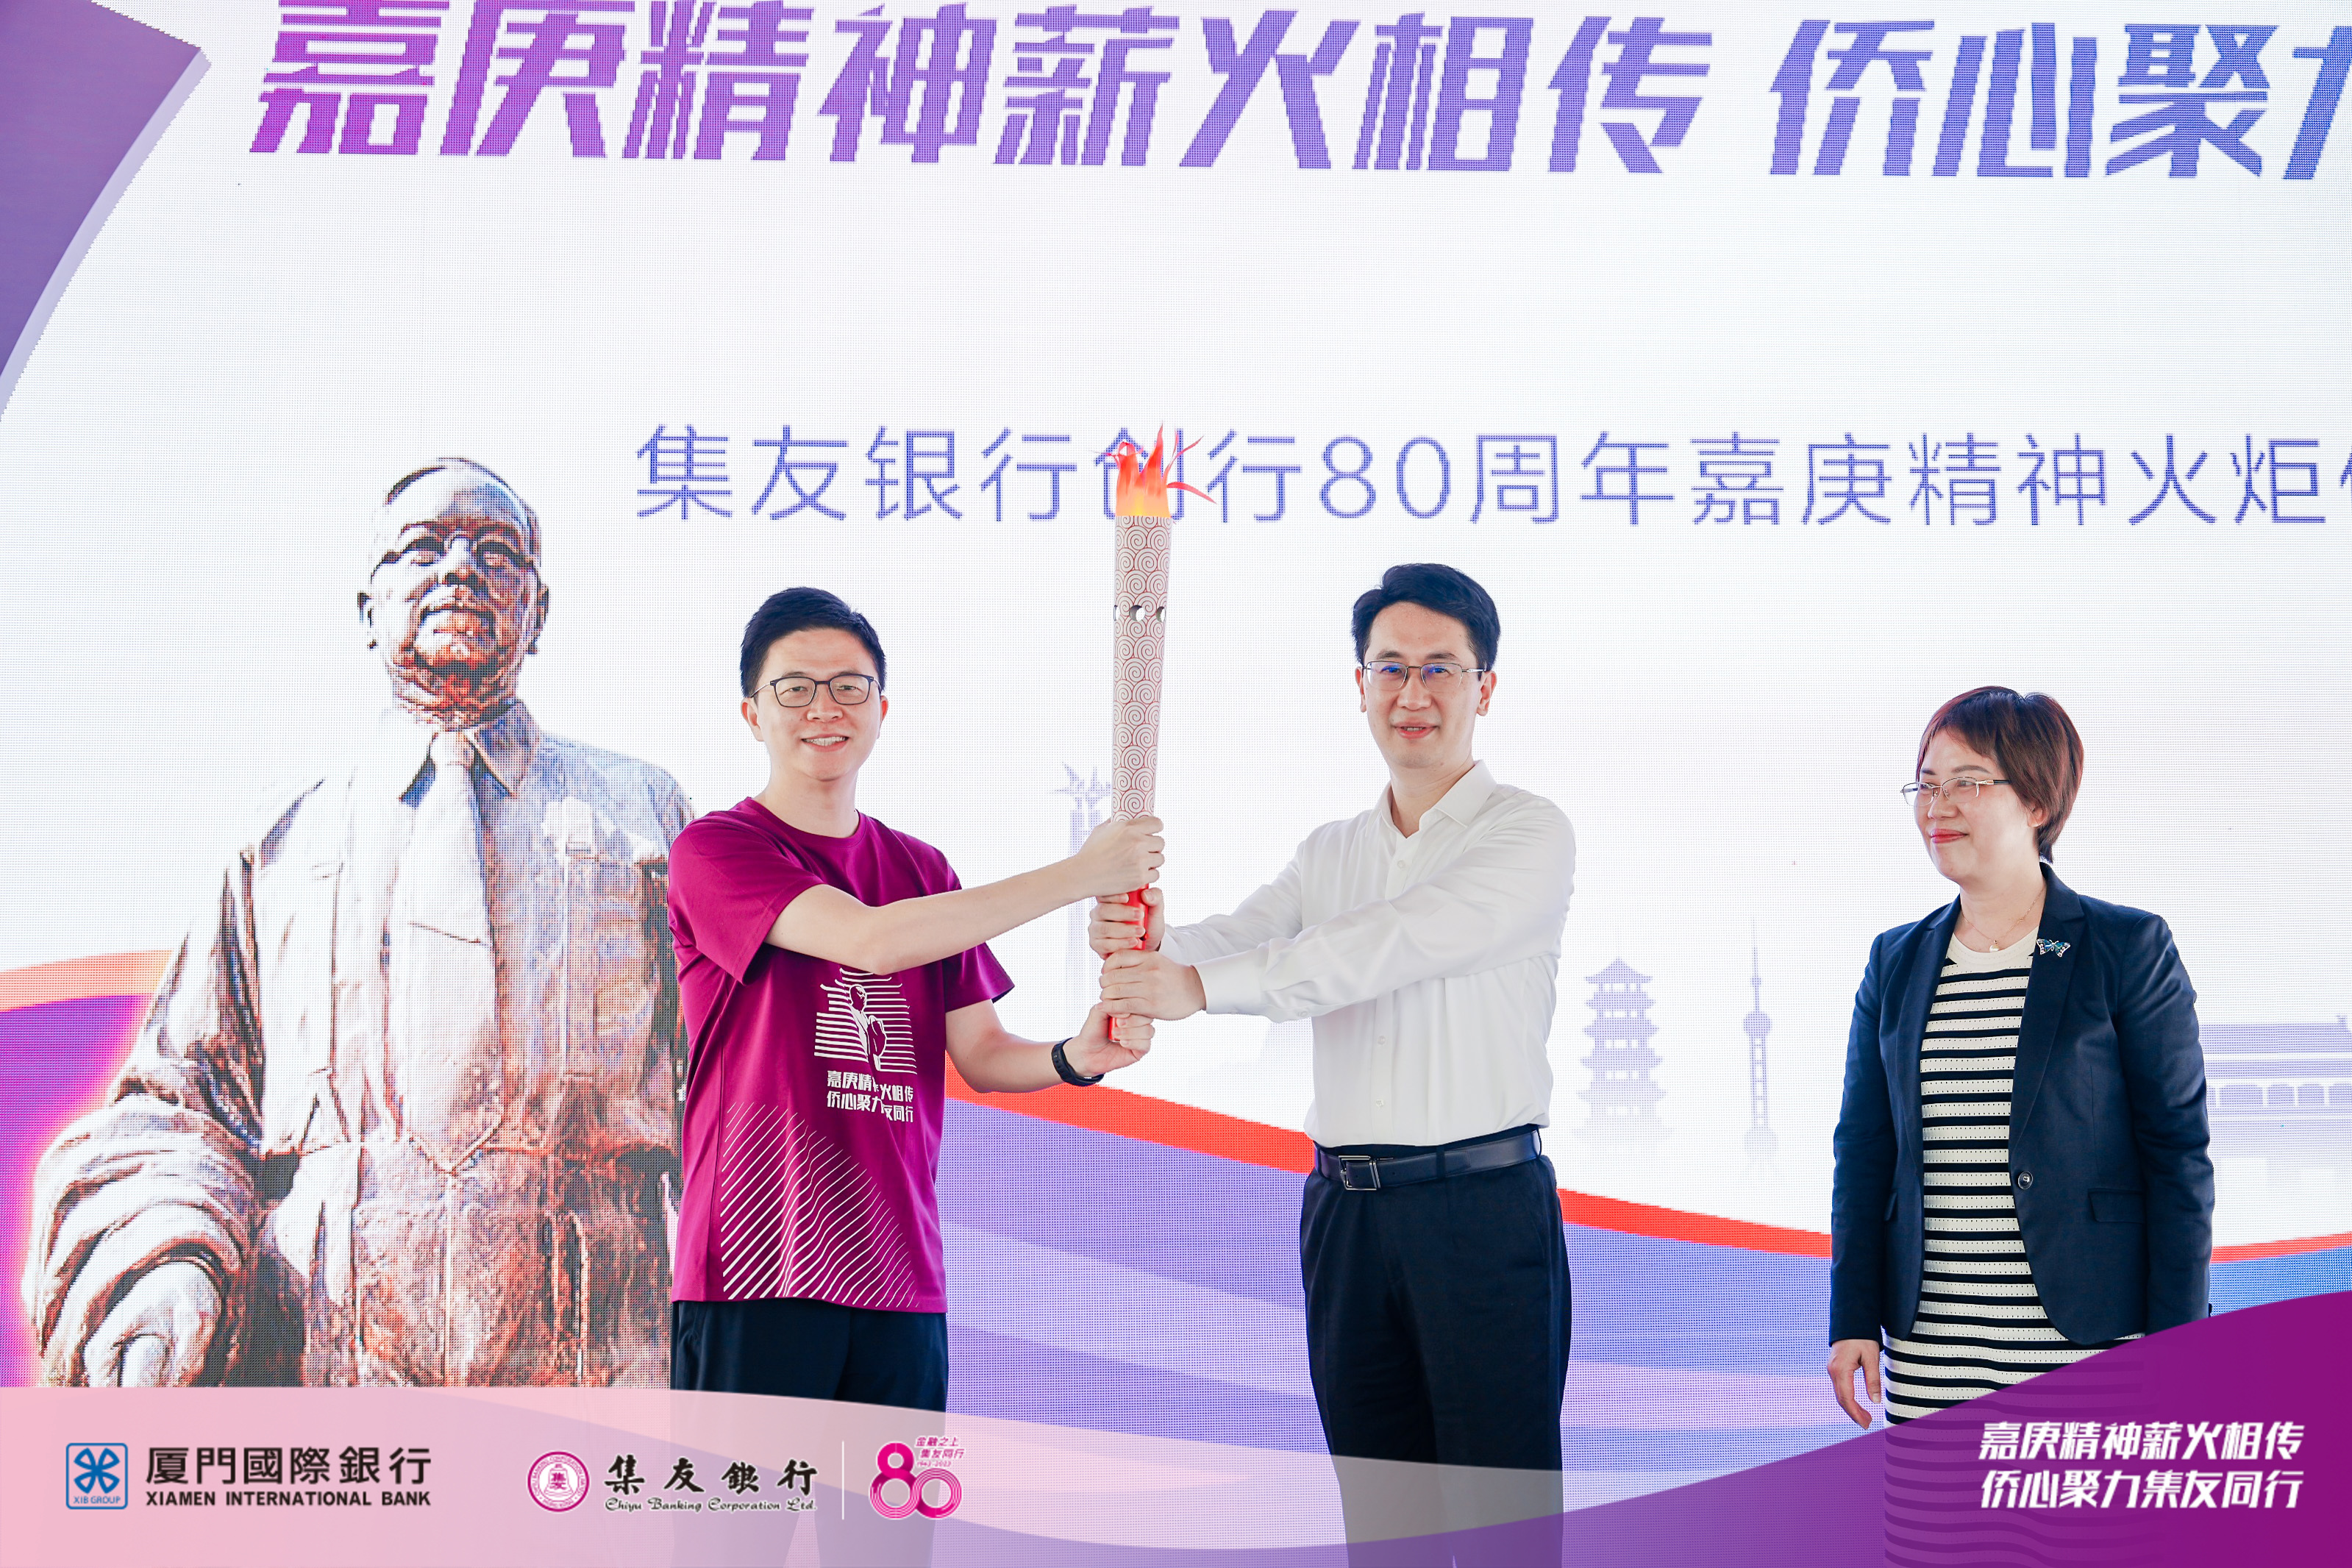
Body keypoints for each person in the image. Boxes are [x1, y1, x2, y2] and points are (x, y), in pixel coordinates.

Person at [25, 459, 693, 1386]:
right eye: (423, 547)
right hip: (329, 1371)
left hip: (599, 1367)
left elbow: (741, 1092)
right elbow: (182, 1105)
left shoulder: (644, 818)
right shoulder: (280, 841)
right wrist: (163, 1267)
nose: (461, 569)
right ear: (367, 608)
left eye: (497, 552)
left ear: (539, 611)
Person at [1093, 563, 1576, 1551]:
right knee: (1383, 1526)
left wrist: (1193, 985)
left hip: (1481, 1216)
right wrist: (1143, 933)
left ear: (1485, 687)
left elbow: (1390, 943)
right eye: (1390, 667)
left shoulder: (1528, 832)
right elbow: (1240, 937)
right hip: (1347, 1221)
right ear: (1360, 684)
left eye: (1439, 668)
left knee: (1502, 1532)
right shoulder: (1330, 851)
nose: (1412, 692)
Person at [665, 587, 1161, 1414]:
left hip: (899, 1279)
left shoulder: (923, 871)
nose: (824, 707)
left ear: (881, 708)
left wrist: (1076, 1055)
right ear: (753, 713)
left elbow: (983, 1054)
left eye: (848, 686)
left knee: (893, 1505)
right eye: (795, 688)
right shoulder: (716, 849)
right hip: (755, 1271)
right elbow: (869, 940)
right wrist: (1084, 873)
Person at [1828, 687, 2213, 1428]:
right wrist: (1851, 1318)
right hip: (1933, 1352)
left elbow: (2178, 1158)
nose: (1937, 806)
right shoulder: (1896, 960)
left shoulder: (2125, 947)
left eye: (1967, 782)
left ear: (2038, 802)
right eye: (1926, 785)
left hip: (2090, 1346)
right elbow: (1865, 1152)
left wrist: (2178, 1346)